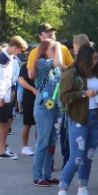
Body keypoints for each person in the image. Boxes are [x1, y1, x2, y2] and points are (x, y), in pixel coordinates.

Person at [52, 43, 98, 195]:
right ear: (84, 58)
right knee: (76, 157)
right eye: (93, 58)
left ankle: (82, 189)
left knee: (88, 157)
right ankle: (61, 193)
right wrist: (84, 93)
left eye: (97, 58)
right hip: (77, 119)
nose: (96, 62)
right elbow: (64, 96)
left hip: (95, 119)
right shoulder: (72, 73)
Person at [0, 36, 28, 160]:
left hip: (5, 94)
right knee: (0, 122)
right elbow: (0, 78)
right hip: (0, 95)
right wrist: (0, 96)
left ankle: (3, 147)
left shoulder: (9, 56)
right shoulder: (3, 58)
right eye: (20, 50)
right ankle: (1, 151)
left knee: (8, 120)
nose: (20, 53)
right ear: (15, 47)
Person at [31, 38, 63, 186]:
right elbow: (58, 62)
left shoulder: (55, 67)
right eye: (52, 49)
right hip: (44, 107)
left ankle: (48, 174)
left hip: (55, 107)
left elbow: (63, 67)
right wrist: (57, 44)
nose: (56, 52)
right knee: (42, 143)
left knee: (51, 142)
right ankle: (37, 176)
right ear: (44, 50)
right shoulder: (42, 63)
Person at [17, 55, 36, 156]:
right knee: (27, 123)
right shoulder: (25, 66)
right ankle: (24, 146)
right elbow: (21, 80)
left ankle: (39, 145)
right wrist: (33, 89)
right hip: (29, 98)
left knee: (40, 124)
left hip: (42, 97)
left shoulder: (43, 66)